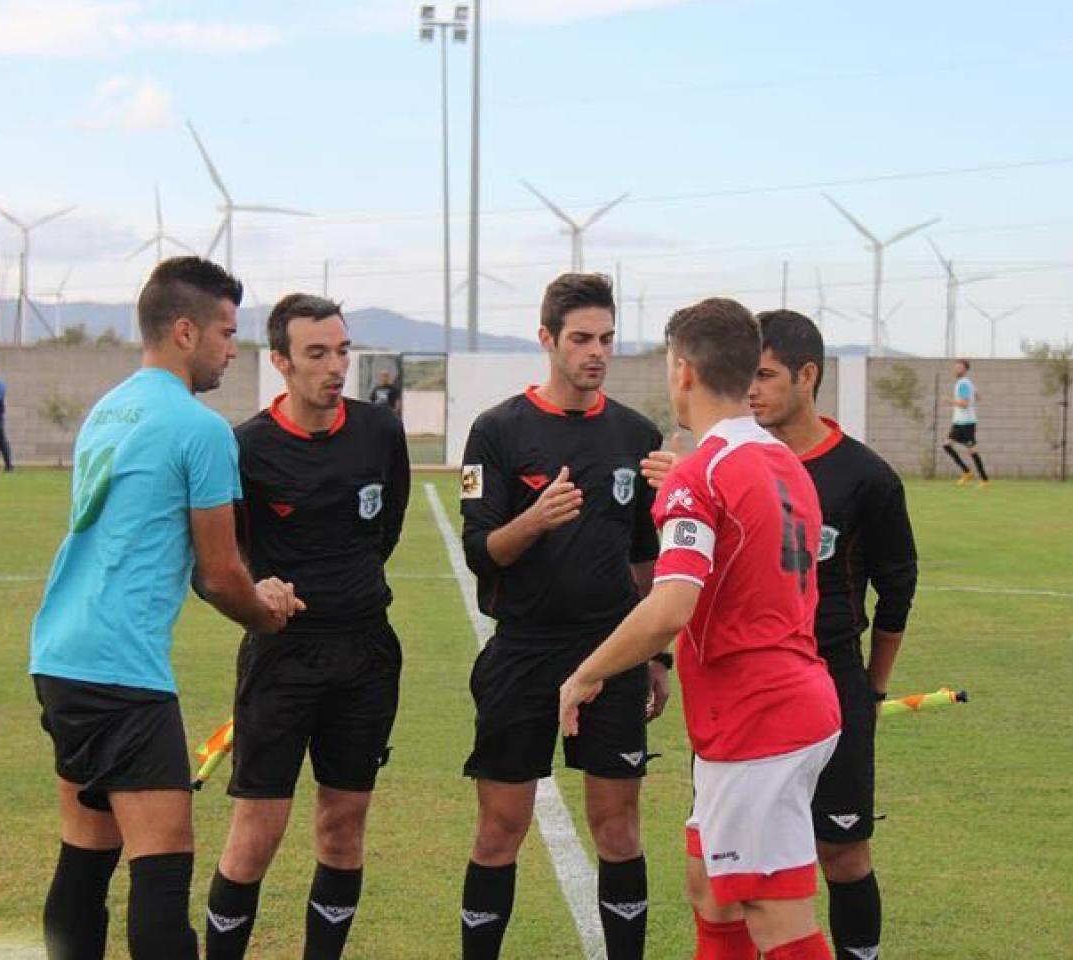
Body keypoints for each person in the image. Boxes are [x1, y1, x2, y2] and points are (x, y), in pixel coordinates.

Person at [28, 256, 303, 960]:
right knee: (162, 868)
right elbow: (220, 574)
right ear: (185, 331)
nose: (233, 349)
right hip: (121, 671)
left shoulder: (110, 408)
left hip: (60, 655)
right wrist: (265, 612)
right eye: (226, 333)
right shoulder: (199, 429)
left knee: (86, 854)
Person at [559, 297, 842, 960]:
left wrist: (585, 673)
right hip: (784, 704)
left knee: (774, 912)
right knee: (711, 889)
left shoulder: (702, 472)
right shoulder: (785, 462)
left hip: (758, 719)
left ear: (682, 371)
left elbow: (670, 607)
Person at [457, 272, 667, 960]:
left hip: (611, 652)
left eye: (606, 338)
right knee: (500, 829)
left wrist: (652, 652)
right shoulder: (497, 430)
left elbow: (645, 554)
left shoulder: (636, 433)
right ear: (547, 339)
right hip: (523, 651)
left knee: (618, 827)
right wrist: (535, 519)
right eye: (581, 338)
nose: (596, 352)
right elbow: (481, 552)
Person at [205, 294, 410, 960]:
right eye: (317, 353)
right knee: (256, 833)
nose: (335, 367)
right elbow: (217, 561)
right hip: (283, 657)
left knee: (343, 827)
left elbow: (386, 529)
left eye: (342, 351)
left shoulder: (380, 431)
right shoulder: (246, 448)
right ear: (281, 361)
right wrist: (257, 588)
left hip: (367, 653)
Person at [748, 310, 917, 958]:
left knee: (843, 854)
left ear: (807, 375)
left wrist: (871, 689)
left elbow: (897, 591)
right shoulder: (738, 463)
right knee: (741, 858)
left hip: (832, 681)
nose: (752, 390)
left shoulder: (866, 477)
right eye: (746, 376)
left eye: (765, 375)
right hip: (751, 687)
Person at [941, 359, 989, 486]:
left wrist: (949, 401)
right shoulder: (968, 383)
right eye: (956, 367)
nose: (957, 369)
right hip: (959, 422)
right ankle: (967, 472)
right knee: (947, 445)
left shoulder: (963, 384)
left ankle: (984, 480)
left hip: (966, 423)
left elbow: (965, 404)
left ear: (965, 370)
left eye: (960, 368)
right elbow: (978, 397)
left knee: (972, 450)